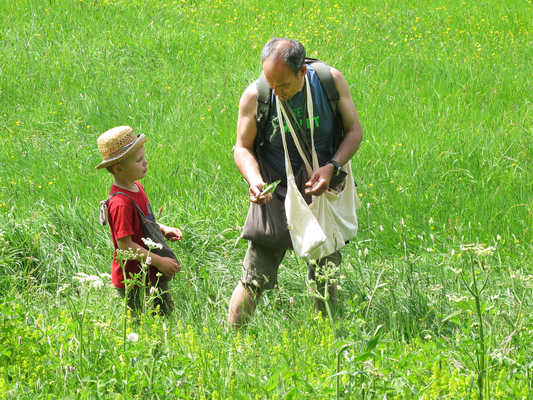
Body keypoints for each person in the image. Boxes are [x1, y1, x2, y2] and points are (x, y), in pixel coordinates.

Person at [228, 38, 363, 327]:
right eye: (271, 83)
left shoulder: (330, 81)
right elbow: (241, 147)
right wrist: (254, 181)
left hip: (321, 192)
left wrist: (332, 167)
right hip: (274, 194)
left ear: (302, 71)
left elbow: (354, 132)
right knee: (254, 277)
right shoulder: (256, 96)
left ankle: (327, 339)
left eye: (284, 86)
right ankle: (231, 341)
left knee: (325, 277)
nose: (276, 92)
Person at [96, 125, 182, 316]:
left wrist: (162, 228)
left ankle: (161, 346)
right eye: (138, 160)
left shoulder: (137, 188)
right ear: (118, 168)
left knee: (164, 317)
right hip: (133, 279)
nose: (145, 163)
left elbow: (143, 224)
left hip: (151, 274)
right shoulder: (120, 203)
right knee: (140, 325)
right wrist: (159, 262)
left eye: (144, 157)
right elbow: (125, 246)